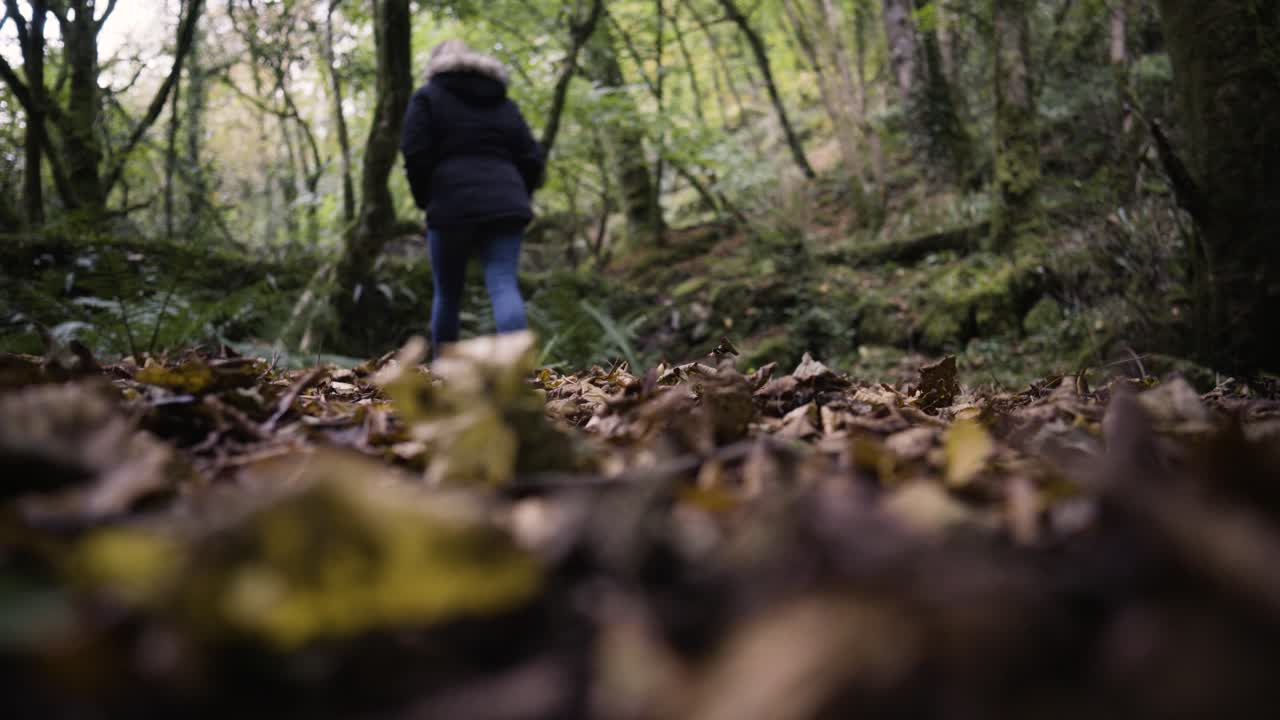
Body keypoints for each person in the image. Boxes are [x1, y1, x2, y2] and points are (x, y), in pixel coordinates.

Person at [400, 40, 546, 356]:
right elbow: (532, 157)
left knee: (447, 294)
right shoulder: (503, 103)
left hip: (449, 202)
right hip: (505, 201)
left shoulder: (427, 97)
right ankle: (519, 371)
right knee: (504, 283)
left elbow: (414, 153)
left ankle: (444, 373)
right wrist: (519, 194)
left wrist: (426, 199)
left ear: (435, 63)